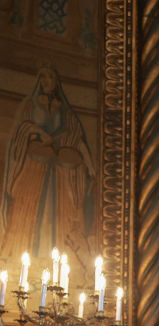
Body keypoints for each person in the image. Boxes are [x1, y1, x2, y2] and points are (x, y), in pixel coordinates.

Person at [0, 66, 96, 276]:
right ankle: (20, 265)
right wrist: (37, 132)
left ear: (56, 81)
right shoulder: (30, 105)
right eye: (42, 76)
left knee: (58, 211)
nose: (46, 81)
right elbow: (21, 130)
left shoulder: (66, 113)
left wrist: (89, 164)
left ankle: (59, 267)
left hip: (59, 173)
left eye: (50, 76)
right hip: (34, 168)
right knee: (28, 209)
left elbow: (76, 138)